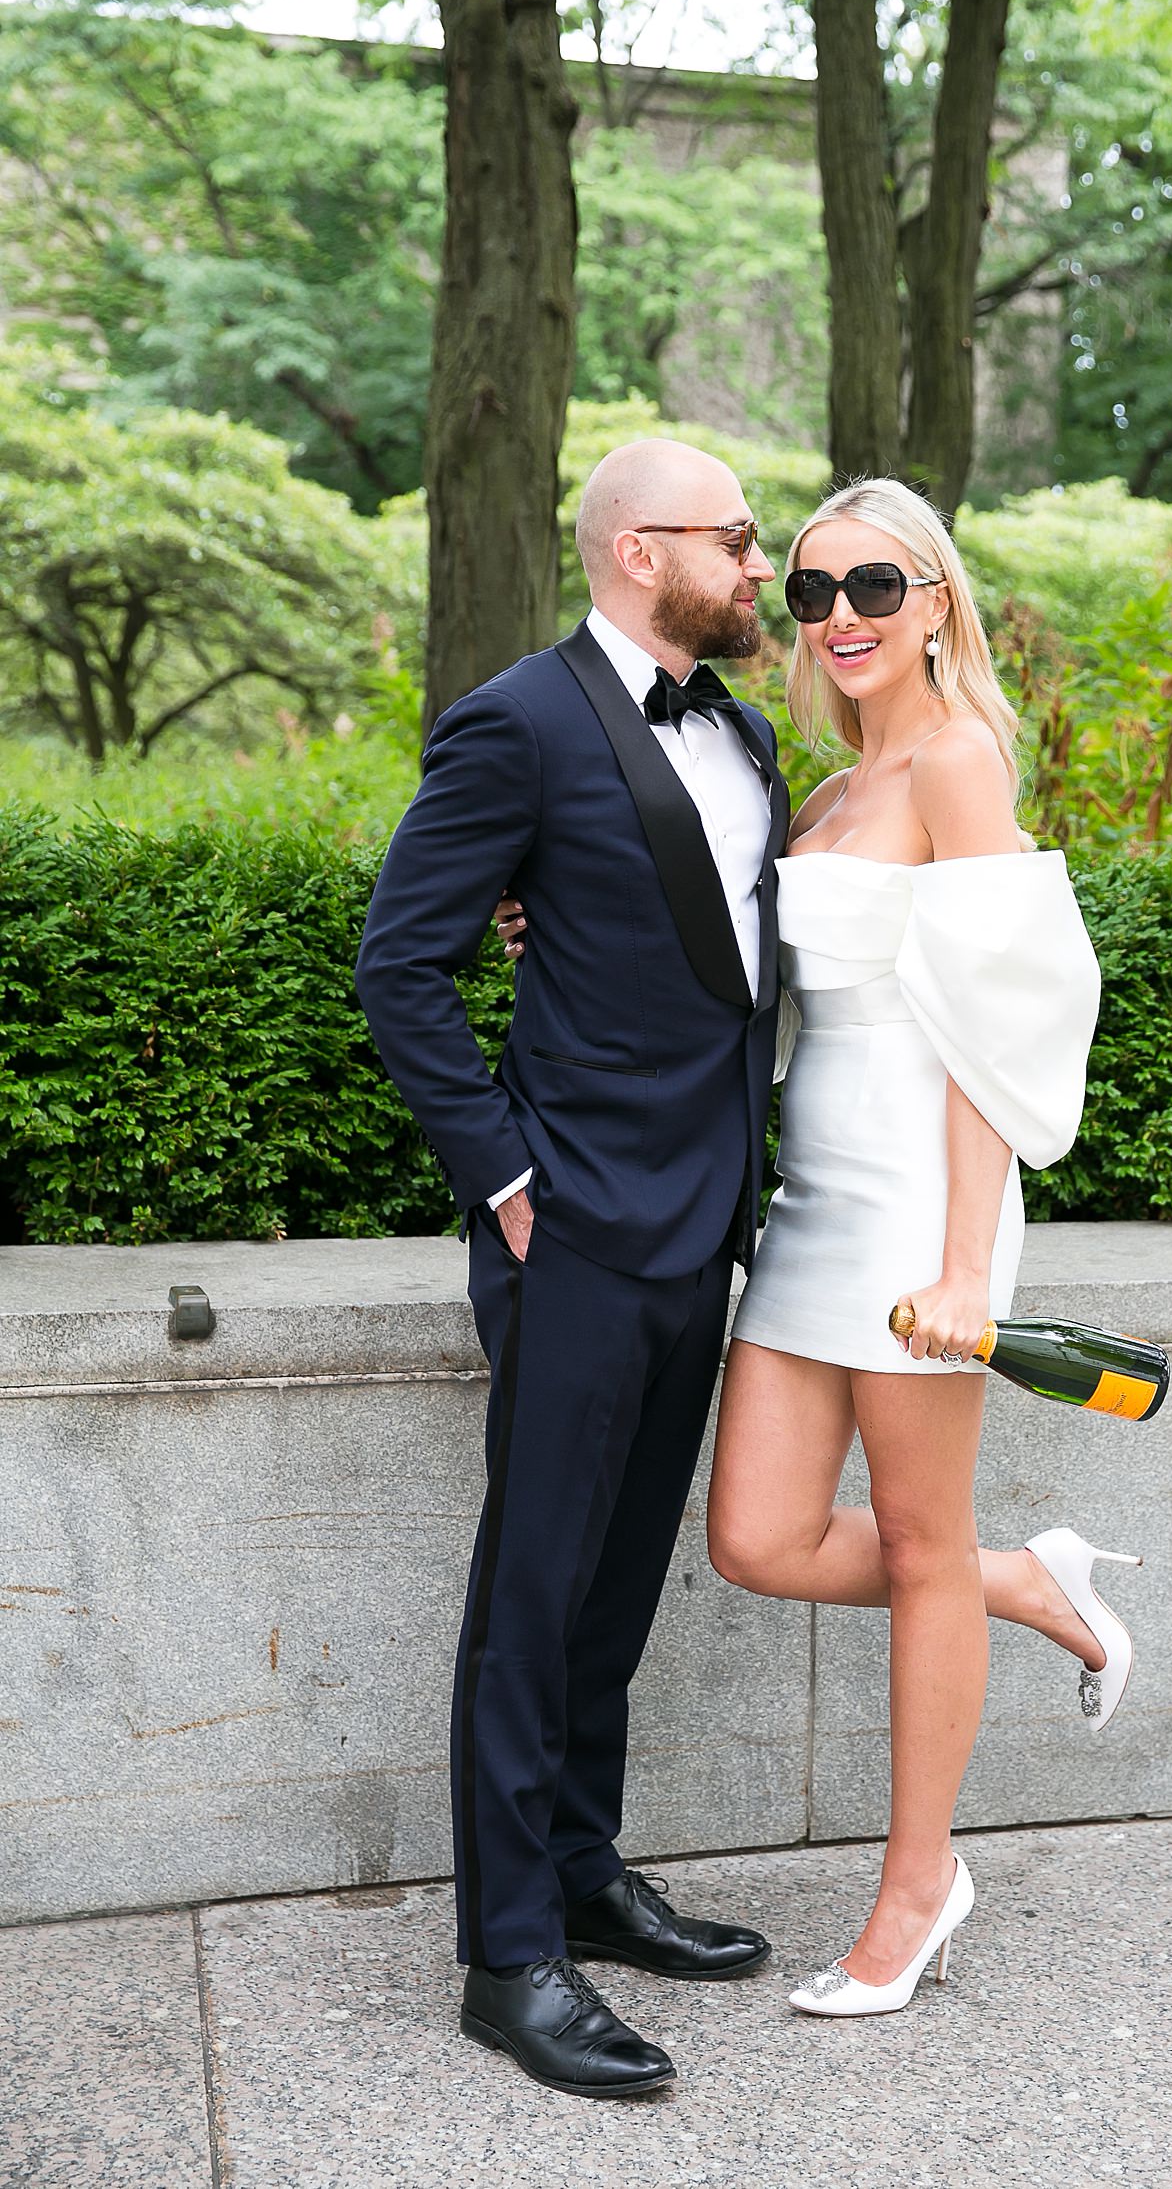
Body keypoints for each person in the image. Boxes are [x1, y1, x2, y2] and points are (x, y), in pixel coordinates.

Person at [355, 439, 791, 2098]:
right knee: (531, 1596)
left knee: (617, 1583)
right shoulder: (516, 721)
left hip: (708, 1228)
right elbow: (401, 967)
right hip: (579, 1233)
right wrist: (508, 1177)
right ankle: (509, 1955)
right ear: (635, 550)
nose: (761, 568)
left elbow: (721, 963)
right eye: (738, 541)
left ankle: (591, 1875)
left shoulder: (737, 727)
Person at [710, 476, 1137, 2018]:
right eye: (816, 590)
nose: (840, 618)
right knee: (753, 1535)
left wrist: (968, 1267)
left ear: (937, 601)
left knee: (910, 1536)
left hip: (919, 1213)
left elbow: (990, 1034)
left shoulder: (959, 767)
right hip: (809, 1208)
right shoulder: (823, 796)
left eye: (876, 588)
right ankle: (1026, 1580)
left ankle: (917, 1886)